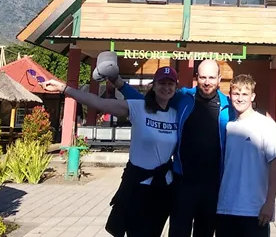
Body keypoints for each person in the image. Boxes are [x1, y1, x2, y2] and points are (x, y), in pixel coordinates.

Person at [41, 65, 179, 237]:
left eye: (170, 84)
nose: (166, 87)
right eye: (161, 83)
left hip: (163, 187)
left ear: (175, 87)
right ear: (154, 85)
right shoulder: (138, 108)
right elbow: (98, 102)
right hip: (138, 185)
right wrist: (64, 88)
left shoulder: (177, 114)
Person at [116, 59, 233, 237]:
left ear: (219, 78)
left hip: (213, 185)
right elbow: (147, 101)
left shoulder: (229, 106)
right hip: (182, 182)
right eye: (202, 77)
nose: (207, 82)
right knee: (178, 232)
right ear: (196, 78)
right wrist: (120, 84)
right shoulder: (183, 98)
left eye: (211, 77)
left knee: (206, 232)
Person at [215, 74, 276, 237]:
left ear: (252, 96)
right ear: (230, 95)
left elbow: (275, 166)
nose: (239, 98)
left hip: (254, 210)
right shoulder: (227, 126)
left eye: (244, 94)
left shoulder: (266, 125)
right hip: (225, 207)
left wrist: (270, 203)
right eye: (236, 94)